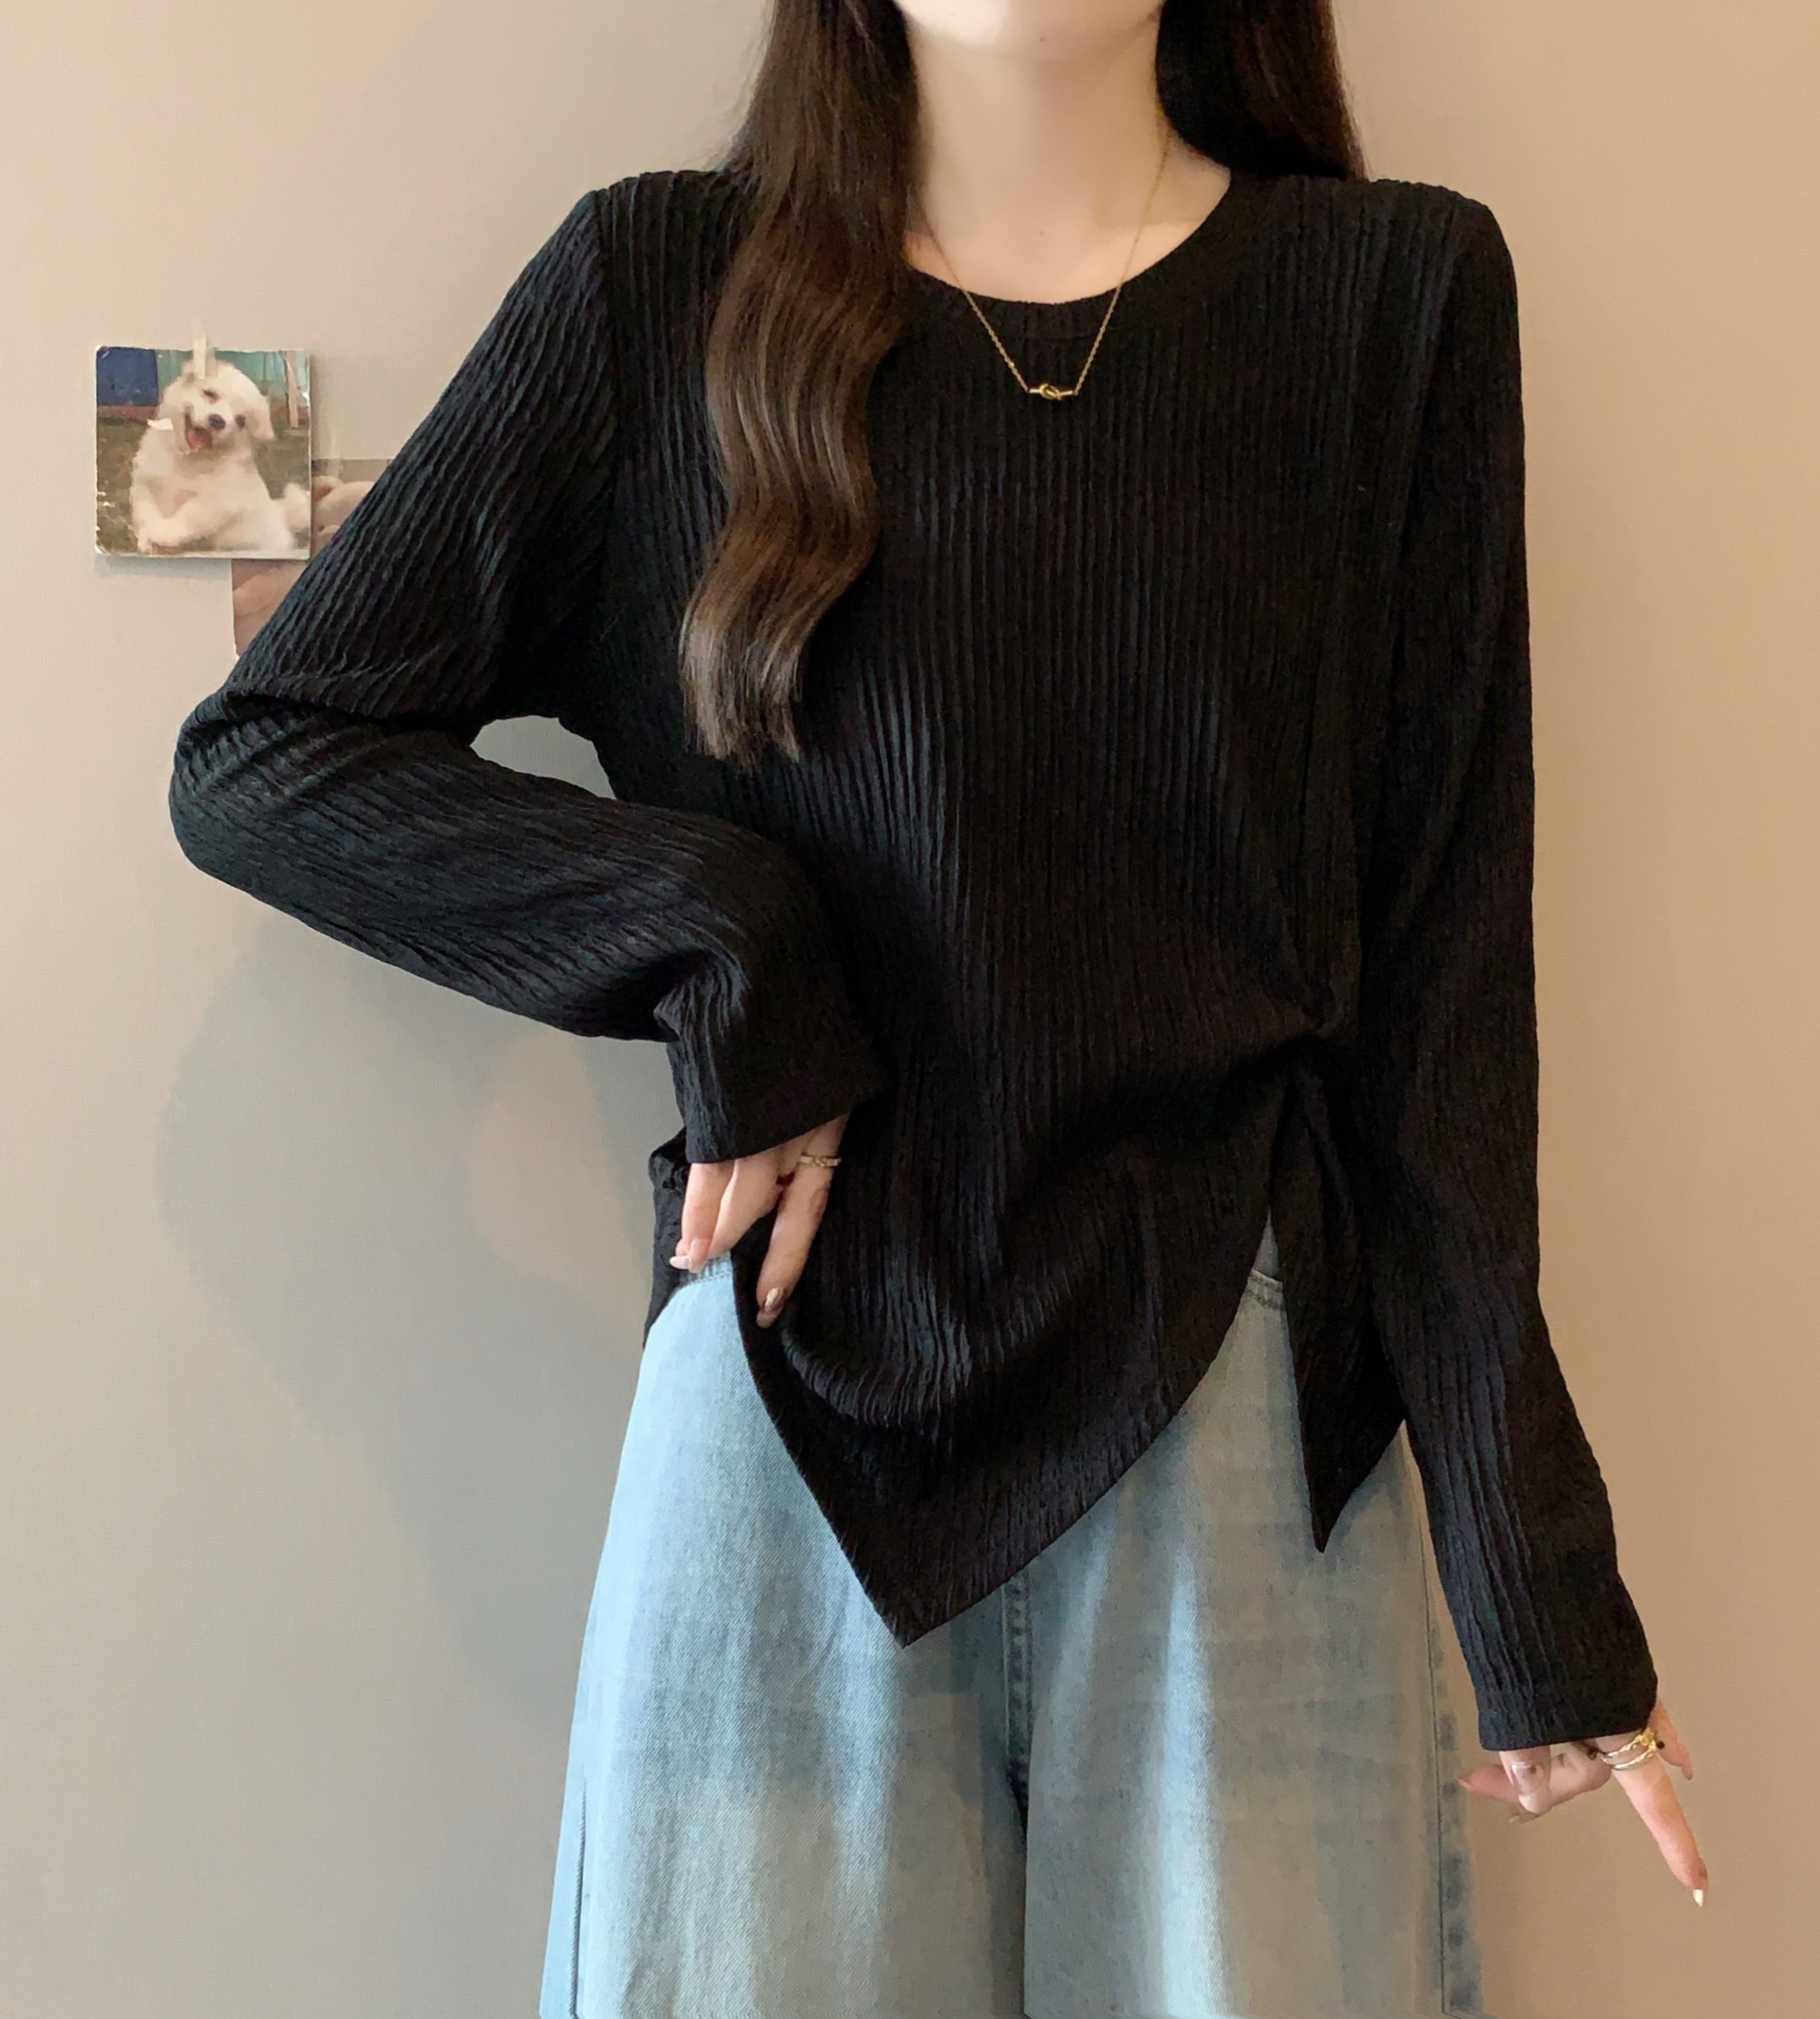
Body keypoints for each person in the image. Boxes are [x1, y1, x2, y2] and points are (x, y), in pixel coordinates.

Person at [167, 2, 1708, 2012]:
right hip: (784, 1381)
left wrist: (1534, 1585)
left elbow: (1440, 987)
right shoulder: (653, 288)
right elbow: (275, 756)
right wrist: (730, 939)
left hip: (1237, 1397)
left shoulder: (1387, 299)